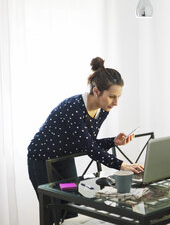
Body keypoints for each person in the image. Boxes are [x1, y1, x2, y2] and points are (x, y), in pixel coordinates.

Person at [27, 57, 144, 223]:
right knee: (52, 214)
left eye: (118, 97)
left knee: (71, 211)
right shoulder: (73, 108)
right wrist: (122, 165)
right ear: (96, 91)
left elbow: (87, 143)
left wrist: (113, 141)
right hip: (41, 160)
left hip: (64, 158)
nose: (116, 102)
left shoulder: (102, 110)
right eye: (112, 96)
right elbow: (90, 148)